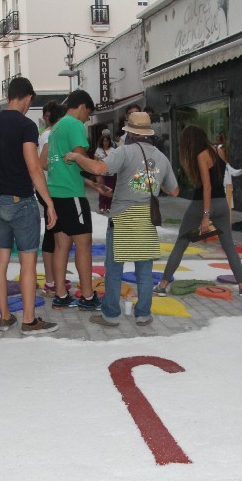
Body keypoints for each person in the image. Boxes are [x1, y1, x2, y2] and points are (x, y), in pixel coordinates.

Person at [65, 112, 179, 326]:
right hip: (146, 218)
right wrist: (151, 183)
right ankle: (143, 315)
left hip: (122, 217)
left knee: (114, 269)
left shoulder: (125, 151)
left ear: (131, 133)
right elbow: (174, 190)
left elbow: (98, 168)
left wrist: (76, 157)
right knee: (144, 271)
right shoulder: (162, 157)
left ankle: (111, 314)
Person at [0, 77, 59, 335]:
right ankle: (28, 320)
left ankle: (5, 317)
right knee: (27, 262)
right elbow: (34, 167)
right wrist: (49, 203)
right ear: (27, 98)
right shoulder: (26, 125)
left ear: (8, 96)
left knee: (0, 260)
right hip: (21, 202)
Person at [154, 125, 242, 297]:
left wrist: (206, 216)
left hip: (202, 204)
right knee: (229, 246)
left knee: (181, 243)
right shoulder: (219, 151)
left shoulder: (201, 155)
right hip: (222, 204)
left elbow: (207, 187)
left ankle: (162, 285)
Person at [46, 89, 101, 311]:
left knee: (61, 246)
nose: (87, 119)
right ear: (82, 107)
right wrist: (97, 172)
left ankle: (61, 294)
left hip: (55, 193)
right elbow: (80, 157)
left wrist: (91, 183)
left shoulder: (56, 127)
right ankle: (87, 296)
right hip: (72, 194)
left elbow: (51, 162)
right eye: (88, 114)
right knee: (84, 246)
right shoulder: (75, 125)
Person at [38, 101, 66, 295]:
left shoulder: (46, 133)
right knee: (55, 234)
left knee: (53, 233)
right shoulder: (50, 134)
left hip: (48, 187)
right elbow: (43, 162)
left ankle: (53, 279)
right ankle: (52, 280)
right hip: (50, 188)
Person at [94, 135, 116, 214]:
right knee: (102, 189)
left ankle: (108, 206)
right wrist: (96, 173)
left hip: (110, 173)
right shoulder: (98, 150)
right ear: (102, 141)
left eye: (107, 141)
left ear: (109, 141)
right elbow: (95, 162)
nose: (105, 142)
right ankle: (102, 207)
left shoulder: (113, 150)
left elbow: (115, 161)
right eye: (104, 141)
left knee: (109, 190)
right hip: (101, 174)